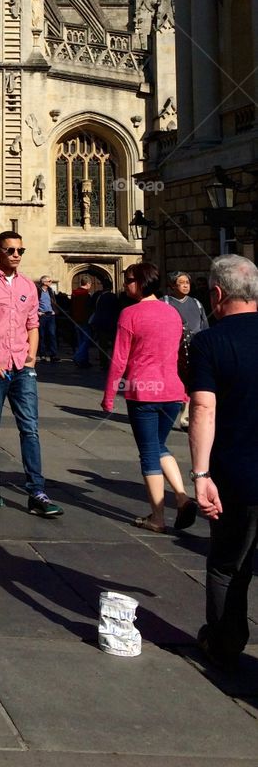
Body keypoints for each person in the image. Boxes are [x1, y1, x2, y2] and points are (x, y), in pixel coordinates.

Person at [188, 255, 258, 669]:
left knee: (228, 564)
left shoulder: (210, 342)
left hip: (238, 474)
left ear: (216, 294)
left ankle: (225, 642)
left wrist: (200, 474)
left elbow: (202, 410)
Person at [0, 231, 64, 516]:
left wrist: (32, 357)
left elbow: (33, 323)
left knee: (30, 429)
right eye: (11, 250)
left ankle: (36, 491)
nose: (16, 255)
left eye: (20, 250)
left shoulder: (28, 286)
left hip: (22, 367)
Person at [102, 261, 195, 533]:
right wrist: (186, 390)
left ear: (142, 282)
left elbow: (119, 360)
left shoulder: (130, 314)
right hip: (173, 392)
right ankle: (181, 496)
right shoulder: (172, 314)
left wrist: (109, 396)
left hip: (143, 391)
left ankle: (157, 517)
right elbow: (179, 356)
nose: (125, 284)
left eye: (129, 279)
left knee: (148, 453)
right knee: (159, 444)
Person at [164, 270, 207, 429]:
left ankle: (186, 416)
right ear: (172, 286)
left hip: (193, 349)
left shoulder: (196, 303)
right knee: (176, 382)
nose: (185, 285)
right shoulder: (165, 302)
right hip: (173, 350)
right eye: (181, 283)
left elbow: (204, 327)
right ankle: (174, 411)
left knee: (191, 383)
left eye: (187, 282)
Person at [71, 276, 93, 366]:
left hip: (76, 319)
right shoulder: (86, 294)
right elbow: (88, 308)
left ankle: (83, 361)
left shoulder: (74, 293)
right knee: (87, 340)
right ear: (88, 284)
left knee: (81, 340)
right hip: (84, 319)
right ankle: (78, 356)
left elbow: (72, 306)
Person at [37, 275, 58, 362]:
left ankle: (53, 355)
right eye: (49, 281)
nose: (51, 282)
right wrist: (37, 312)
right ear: (44, 282)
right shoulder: (38, 291)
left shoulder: (50, 291)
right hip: (42, 316)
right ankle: (42, 354)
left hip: (50, 316)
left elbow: (53, 302)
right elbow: (33, 302)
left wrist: (54, 311)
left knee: (52, 334)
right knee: (42, 335)